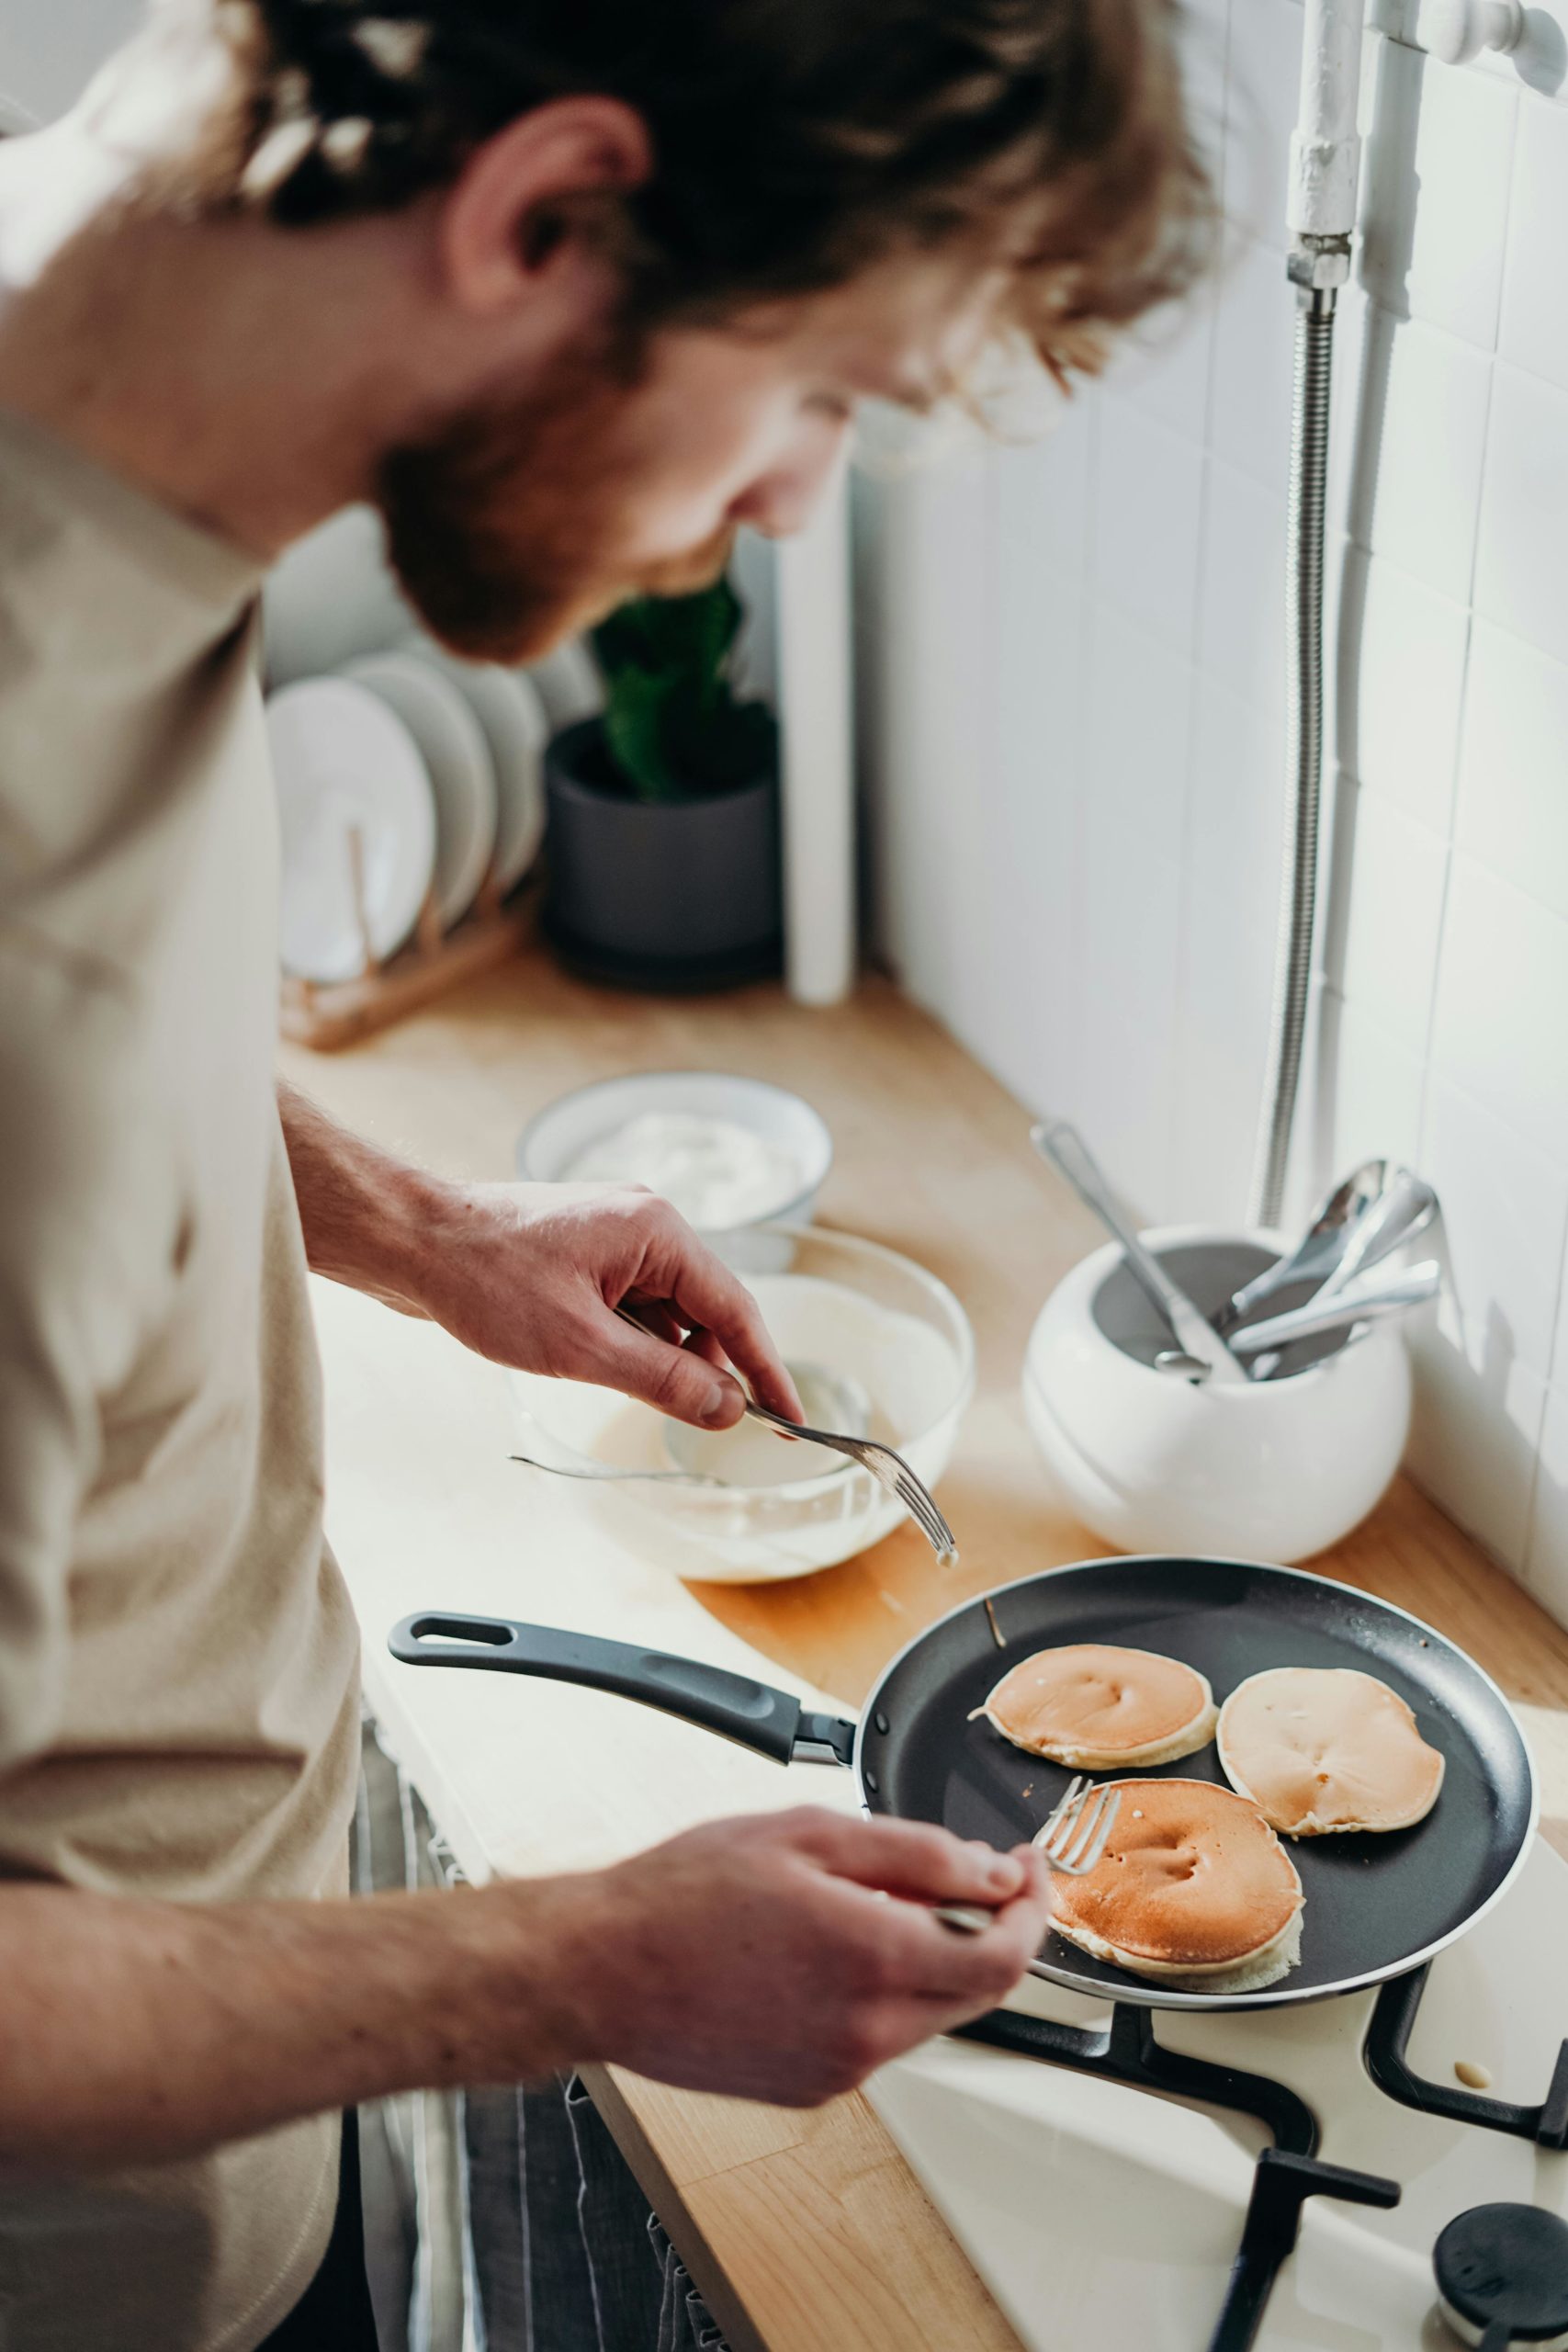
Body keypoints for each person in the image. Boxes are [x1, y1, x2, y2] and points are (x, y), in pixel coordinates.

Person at [0, 0, 1210, 2344]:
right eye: (817, 392)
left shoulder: (110, 400)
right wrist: (580, 1957)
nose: (785, 506)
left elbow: (96, 1074)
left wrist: (432, 1231)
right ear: (542, 212)